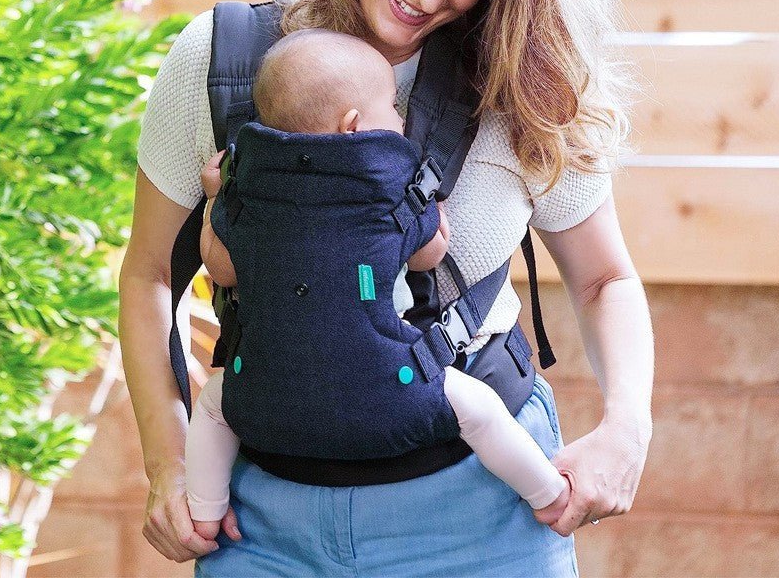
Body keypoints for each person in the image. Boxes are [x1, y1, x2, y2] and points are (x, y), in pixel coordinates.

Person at [119, 0, 653, 576]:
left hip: (483, 511)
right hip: (261, 520)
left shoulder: (523, 80)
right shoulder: (226, 63)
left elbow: (606, 278)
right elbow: (147, 274)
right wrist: (169, 463)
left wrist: (627, 427)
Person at [185, 29, 570, 539]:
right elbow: (429, 255)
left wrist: (215, 200)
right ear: (353, 127)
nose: (401, 119)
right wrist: (432, 209)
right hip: (391, 387)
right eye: (392, 106)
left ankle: (205, 513)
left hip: (265, 398)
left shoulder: (248, 191)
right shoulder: (387, 190)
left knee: (213, 406)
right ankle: (548, 495)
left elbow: (222, 268)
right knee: (479, 412)